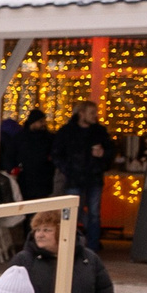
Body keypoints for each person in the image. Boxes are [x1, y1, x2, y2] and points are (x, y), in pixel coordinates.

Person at [54, 99, 114, 248]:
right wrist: (67, 169)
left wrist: (102, 155)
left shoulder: (99, 131)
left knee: (94, 213)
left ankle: (92, 246)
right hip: (74, 178)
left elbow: (111, 151)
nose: (95, 116)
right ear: (81, 113)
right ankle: (70, 244)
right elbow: (56, 153)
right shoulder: (67, 132)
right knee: (73, 212)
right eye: (92, 113)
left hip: (93, 177)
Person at [16, 108, 56, 200]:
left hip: (44, 178)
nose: (43, 124)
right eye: (40, 121)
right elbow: (11, 154)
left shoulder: (49, 138)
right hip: (25, 178)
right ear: (33, 122)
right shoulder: (21, 138)